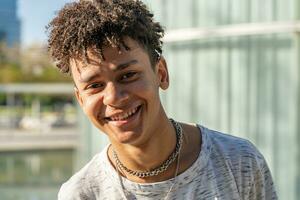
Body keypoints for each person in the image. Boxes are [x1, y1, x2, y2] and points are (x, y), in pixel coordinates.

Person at [47, 0, 277, 199]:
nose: (114, 97)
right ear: (80, 99)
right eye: (94, 86)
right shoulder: (79, 194)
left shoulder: (238, 162)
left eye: (128, 75)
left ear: (161, 74)